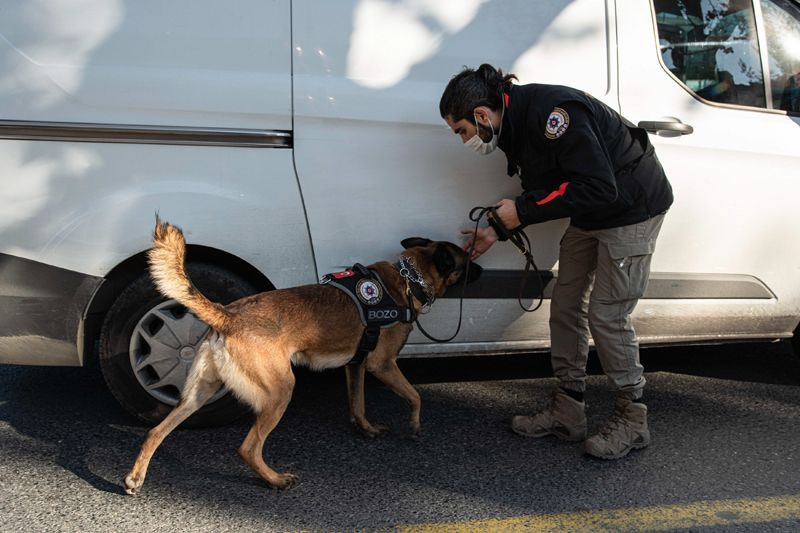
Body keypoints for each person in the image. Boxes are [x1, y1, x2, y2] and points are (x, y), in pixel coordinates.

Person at [439, 64, 673, 460]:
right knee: (565, 306)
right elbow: (550, 187)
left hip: (632, 206)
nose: (464, 140)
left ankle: (633, 420)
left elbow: (598, 185)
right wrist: (496, 227)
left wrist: (521, 211)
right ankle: (568, 411)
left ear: (481, 115)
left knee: (607, 315)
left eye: (461, 131)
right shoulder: (512, 124)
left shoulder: (553, 114)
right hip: (594, 210)